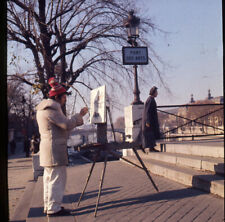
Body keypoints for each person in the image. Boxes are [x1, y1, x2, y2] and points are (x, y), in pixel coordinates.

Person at [36, 77, 88, 217]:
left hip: (48, 148)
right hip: (55, 150)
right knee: (57, 179)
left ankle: (49, 206)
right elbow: (66, 125)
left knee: (48, 178)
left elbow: (61, 127)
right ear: (58, 97)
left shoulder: (43, 109)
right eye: (64, 97)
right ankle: (54, 208)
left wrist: (74, 120)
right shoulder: (52, 109)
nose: (65, 99)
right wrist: (79, 115)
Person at [141, 86, 161, 152]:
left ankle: (150, 147)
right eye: (156, 92)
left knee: (150, 134)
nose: (157, 93)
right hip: (150, 120)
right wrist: (148, 121)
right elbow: (147, 111)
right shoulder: (150, 100)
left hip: (150, 120)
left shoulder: (150, 99)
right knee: (150, 134)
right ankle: (149, 147)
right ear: (154, 93)